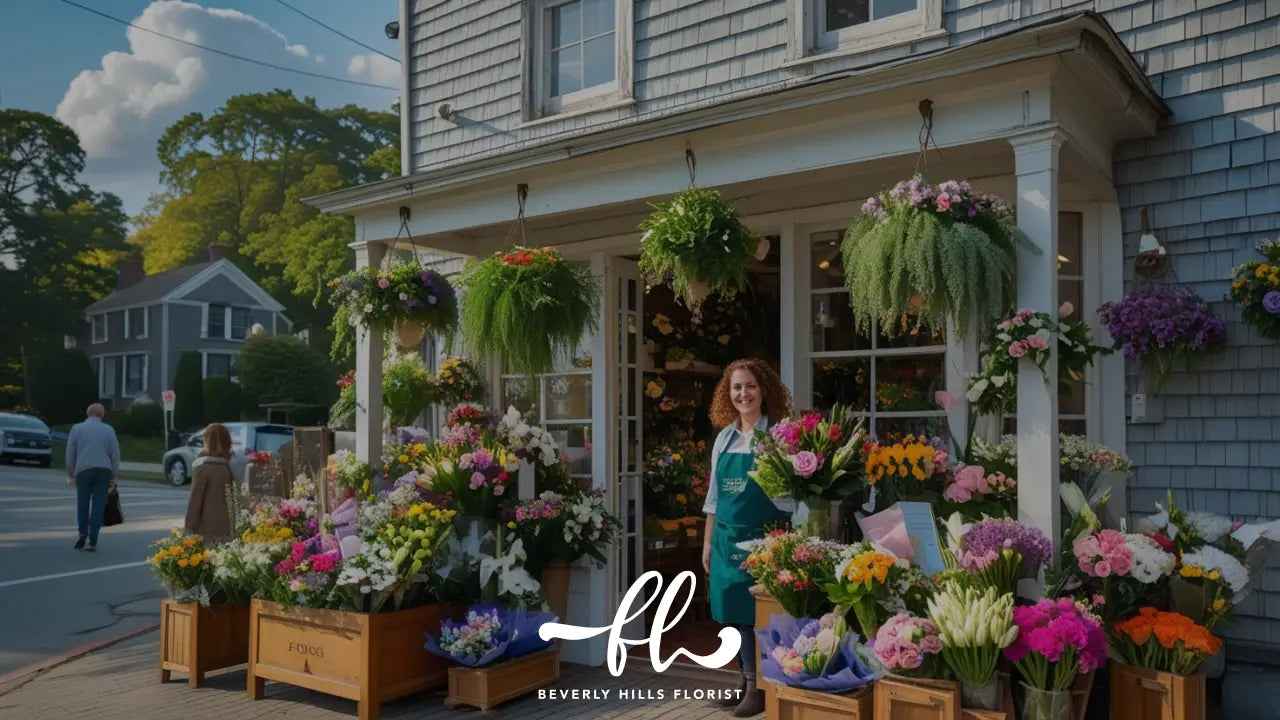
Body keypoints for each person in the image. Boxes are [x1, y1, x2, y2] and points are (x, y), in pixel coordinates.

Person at [701, 358, 795, 717]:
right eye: (737, 387)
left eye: (750, 386)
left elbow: (790, 498)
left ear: (764, 390)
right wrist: (707, 543)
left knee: (757, 615)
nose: (744, 394)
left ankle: (759, 689)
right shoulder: (724, 438)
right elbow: (713, 498)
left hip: (763, 540)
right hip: (725, 540)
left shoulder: (777, 437)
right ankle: (744, 681)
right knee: (731, 613)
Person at [66, 403, 120, 551]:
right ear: (102, 414)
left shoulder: (77, 429)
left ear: (88, 413)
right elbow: (115, 454)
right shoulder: (108, 430)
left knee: (82, 504)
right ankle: (93, 540)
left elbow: (70, 453)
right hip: (103, 471)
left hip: (83, 470)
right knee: (98, 505)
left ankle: (82, 532)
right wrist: (114, 473)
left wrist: (71, 473)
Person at [184, 423, 235, 543]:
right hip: (227, 532)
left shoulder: (203, 468)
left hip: (207, 534)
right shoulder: (229, 468)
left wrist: (188, 531)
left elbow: (194, 504)